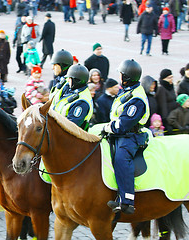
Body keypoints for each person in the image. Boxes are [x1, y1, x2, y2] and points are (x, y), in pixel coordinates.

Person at [104, 59, 149, 215]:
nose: (119, 78)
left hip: (131, 136)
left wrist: (107, 127)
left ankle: (127, 201)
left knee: (121, 158)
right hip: (119, 132)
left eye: (121, 75)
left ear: (127, 77)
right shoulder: (127, 91)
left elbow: (124, 124)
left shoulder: (137, 99)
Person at [50, 64, 94, 131]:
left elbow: (71, 125)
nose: (68, 80)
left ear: (76, 81)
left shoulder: (81, 102)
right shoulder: (72, 91)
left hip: (68, 138)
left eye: (70, 78)